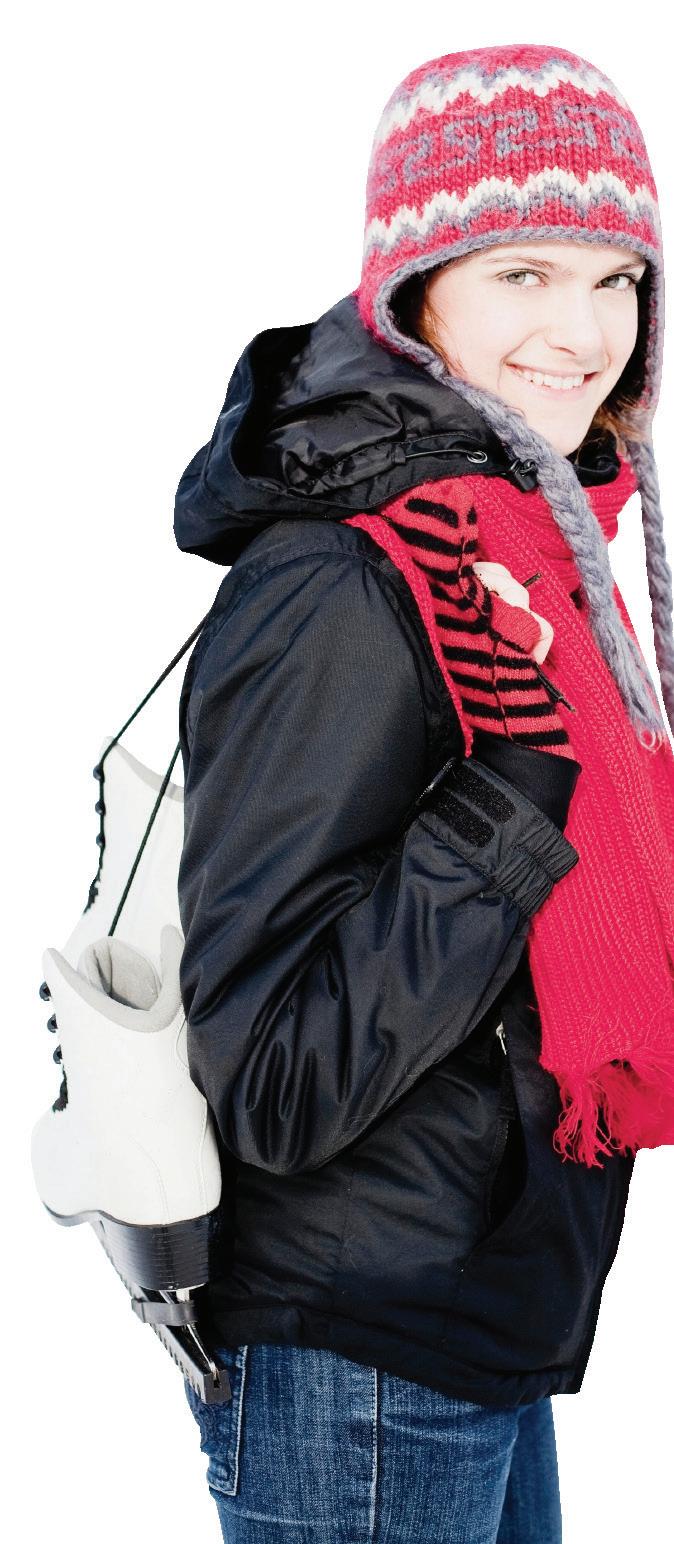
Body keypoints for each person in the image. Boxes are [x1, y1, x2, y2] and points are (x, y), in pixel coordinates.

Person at [173, 42, 674, 1543]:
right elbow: (272, 1084)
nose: (582, 331)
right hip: (359, 1360)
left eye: (615, 278)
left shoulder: (532, 548)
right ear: (415, 293)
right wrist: (511, 797)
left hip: (475, 1314)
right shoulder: (341, 575)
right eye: (523, 273)